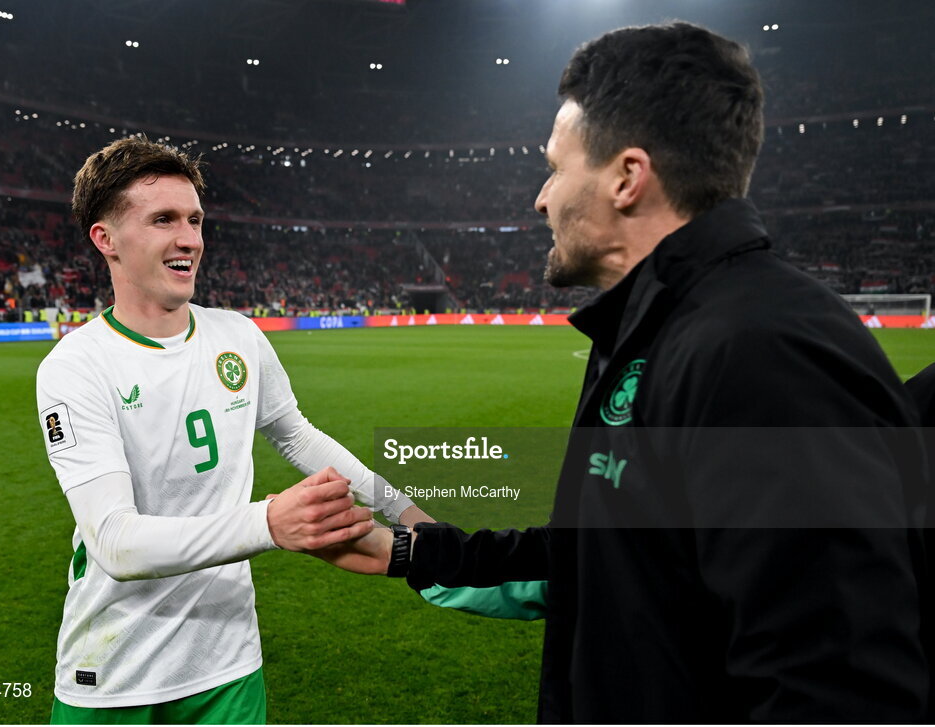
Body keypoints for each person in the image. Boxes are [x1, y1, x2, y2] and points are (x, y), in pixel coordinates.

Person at [321, 22, 928, 723]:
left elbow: (836, 689)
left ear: (626, 177)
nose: (541, 199)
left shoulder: (761, 351)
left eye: (554, 167)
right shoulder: (657, 329)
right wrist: (415, 553)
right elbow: (603, 557)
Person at [36, 137, 432, 724]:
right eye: (163, 219)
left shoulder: (238, 336)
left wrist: (405, 511)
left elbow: (296, 435)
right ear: (106, 239)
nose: (190, 239)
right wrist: (268, 522)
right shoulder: (76, 366)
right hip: (114, 674)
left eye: (195, 219)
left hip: (228, 663)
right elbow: (115, 542)